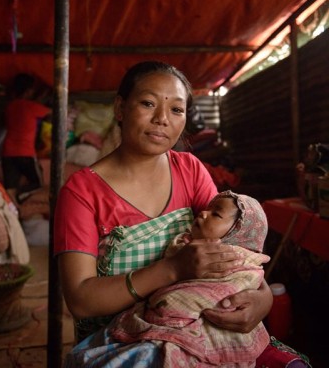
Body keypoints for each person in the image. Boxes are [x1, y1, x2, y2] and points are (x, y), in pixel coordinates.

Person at [54, 61, 273, 367]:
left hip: (192, 329)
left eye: (176, 110)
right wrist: (171, 270)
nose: (161, 119)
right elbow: (80, 299)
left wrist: (264, 299)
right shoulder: (81, 192)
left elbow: (234, 242)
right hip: (118, 345)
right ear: (120, 108)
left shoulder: (190, 170)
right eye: (148, 103)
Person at [110, 190, 271, 366]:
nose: (203, 213)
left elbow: (245, 279)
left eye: (215, 214)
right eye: (207, 209)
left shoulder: (238, 262)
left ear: (237, 233)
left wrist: (266, 298)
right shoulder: (182, 245)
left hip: (199, 327)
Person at [1, 73, 51, 204]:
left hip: (7, 152)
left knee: (10, 188)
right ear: (29, 91)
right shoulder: (31, 106)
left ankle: (14, 213)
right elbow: (51, 113)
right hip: (25, 153)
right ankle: (21, 196)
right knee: (38, 183)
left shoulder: (10, 106)